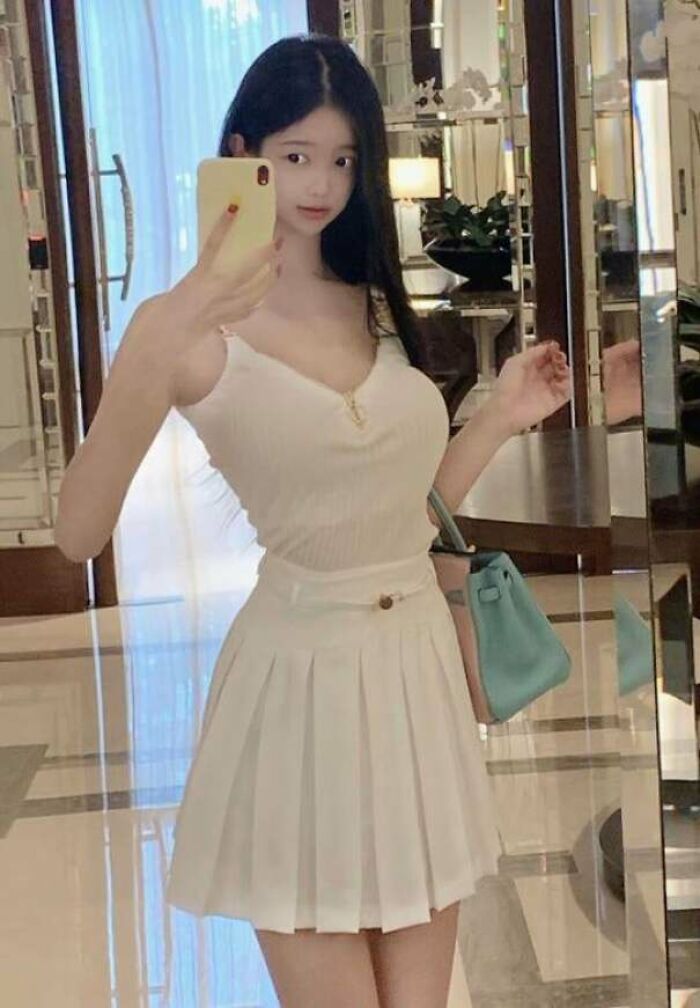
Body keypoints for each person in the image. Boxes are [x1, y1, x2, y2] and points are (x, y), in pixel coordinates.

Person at [55, 33, 570, 1008]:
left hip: (414, 681)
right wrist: (164, 328)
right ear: (243, 153)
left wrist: (503, 412)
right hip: (298, 692)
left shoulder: (369, 301)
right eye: (295, 156)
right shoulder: (189, 332)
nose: (321, 184)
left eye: (342, 158)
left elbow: (398, 515)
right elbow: (78, 532)